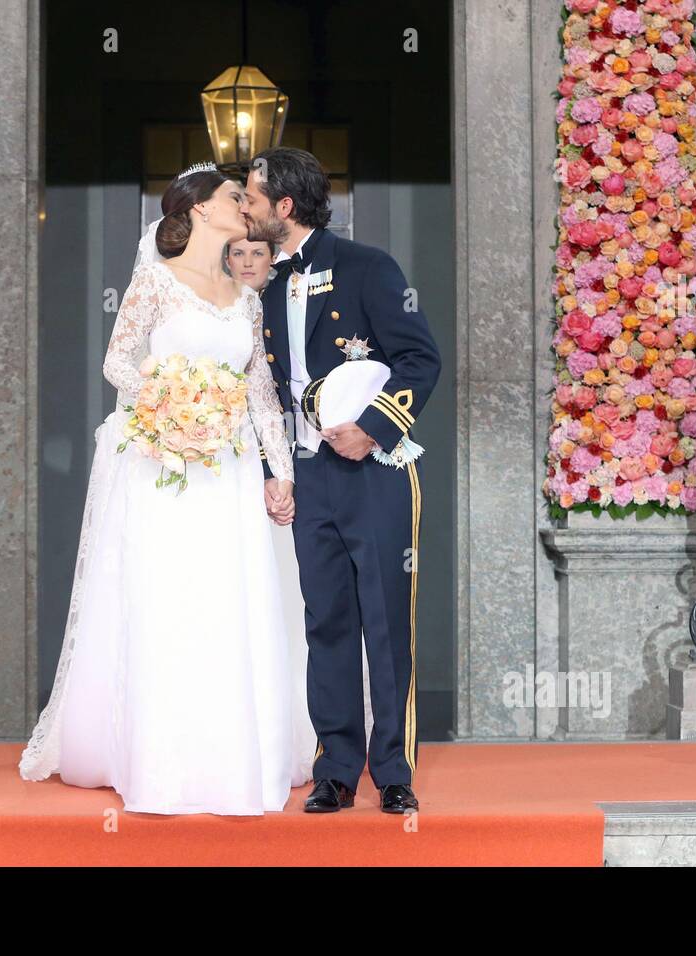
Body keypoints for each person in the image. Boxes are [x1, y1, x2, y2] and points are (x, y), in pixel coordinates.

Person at [18, 164, 315, 814]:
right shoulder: (155, 281)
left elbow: (261, 389)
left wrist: (281, 472)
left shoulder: (244, 292)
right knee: (169, 600)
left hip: (231, 470)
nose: (244, 205)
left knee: (227, 602)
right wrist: (171, 396)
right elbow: (117, 361)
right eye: (233, 197)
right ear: (202, 210)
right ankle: (158, 760)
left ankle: (232, 759)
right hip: (165, 464)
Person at [244, 146, 441, 813]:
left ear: (284, 206)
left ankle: (394, 773)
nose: (245, 207)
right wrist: (278, 470)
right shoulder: (265, 285)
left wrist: (375, 428)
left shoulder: (368, 267)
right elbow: (266, 389)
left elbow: (420, 360)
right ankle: (335, 767)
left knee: (385, 623)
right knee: (326, 621)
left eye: (251, 197)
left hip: (375, 471)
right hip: (308, 475)